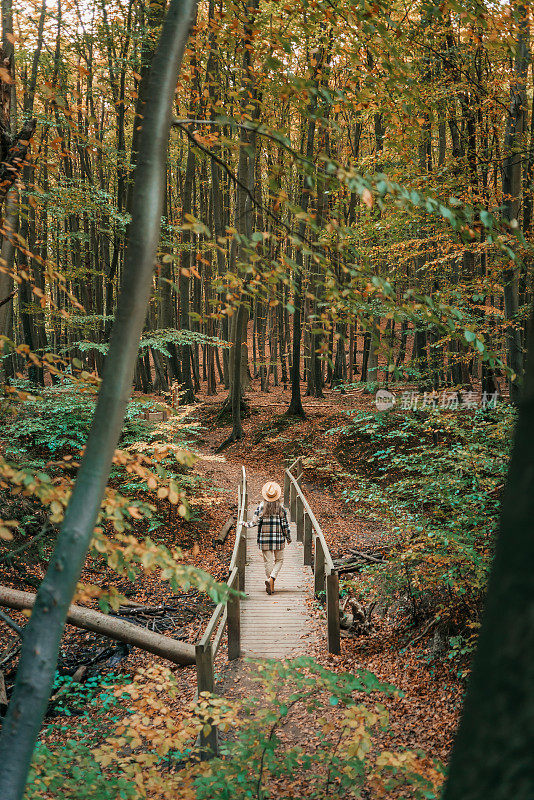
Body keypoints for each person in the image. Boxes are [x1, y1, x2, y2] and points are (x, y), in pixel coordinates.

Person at [246, 481, 292, 595]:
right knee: (279, 560)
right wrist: (288, 537)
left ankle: (270, 581)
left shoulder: (260, 508)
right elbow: (285, 525)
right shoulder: (281, 509)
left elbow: (254, 523)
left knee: (268, 561)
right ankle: (272, 578)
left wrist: (243, 523)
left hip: (264, 539)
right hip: (278, 539)